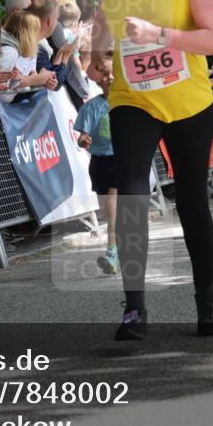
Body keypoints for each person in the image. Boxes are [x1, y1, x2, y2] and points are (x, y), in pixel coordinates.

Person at [92, 0, 213, 340]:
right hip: (134, 98)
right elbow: (103, 18)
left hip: (189, 101)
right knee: (130, 190)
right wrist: (97, 54)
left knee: (190, 200)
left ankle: (206, 298)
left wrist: (159, 34)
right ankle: (134, 308)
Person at [75, 57, 120, 275]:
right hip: (100, 161)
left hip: (122, 159)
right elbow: (82, 137)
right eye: (104, 73)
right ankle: (117, 247)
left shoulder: (130, 104)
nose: (109, 77)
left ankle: (112, 252)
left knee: (112, 207)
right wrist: (84, 141)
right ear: (97, 79)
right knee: (107, 210)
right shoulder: (91, 107)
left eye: (113, 72)